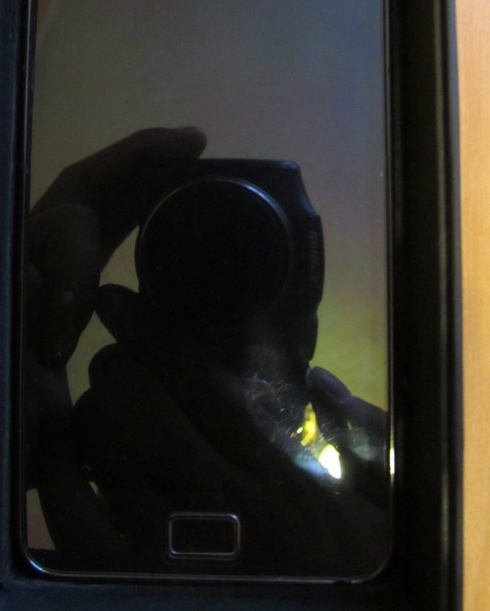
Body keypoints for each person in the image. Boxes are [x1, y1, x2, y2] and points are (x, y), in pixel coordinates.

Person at [22, 127, 390, 577]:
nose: (223, 284)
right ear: (307, 325)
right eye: (200, 258)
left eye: (248, 262)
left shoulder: (368, 518)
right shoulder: (371, 525)